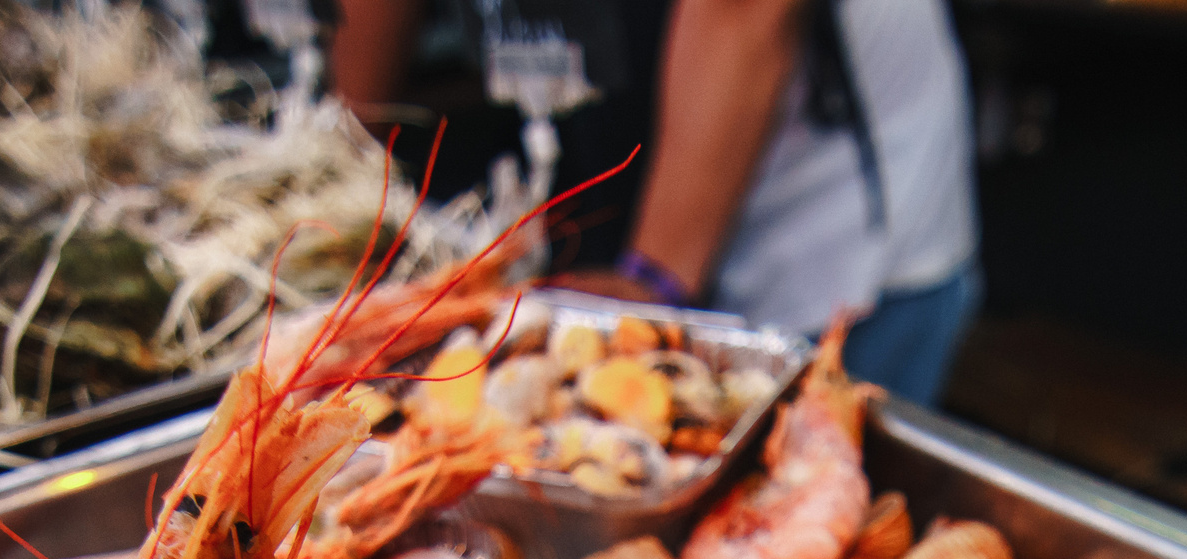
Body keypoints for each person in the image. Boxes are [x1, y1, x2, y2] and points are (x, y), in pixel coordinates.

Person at [332, 0, 980, 404]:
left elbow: (746, 9)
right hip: (616, 143)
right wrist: (339, 179)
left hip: (824, 210)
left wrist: (653, 280)